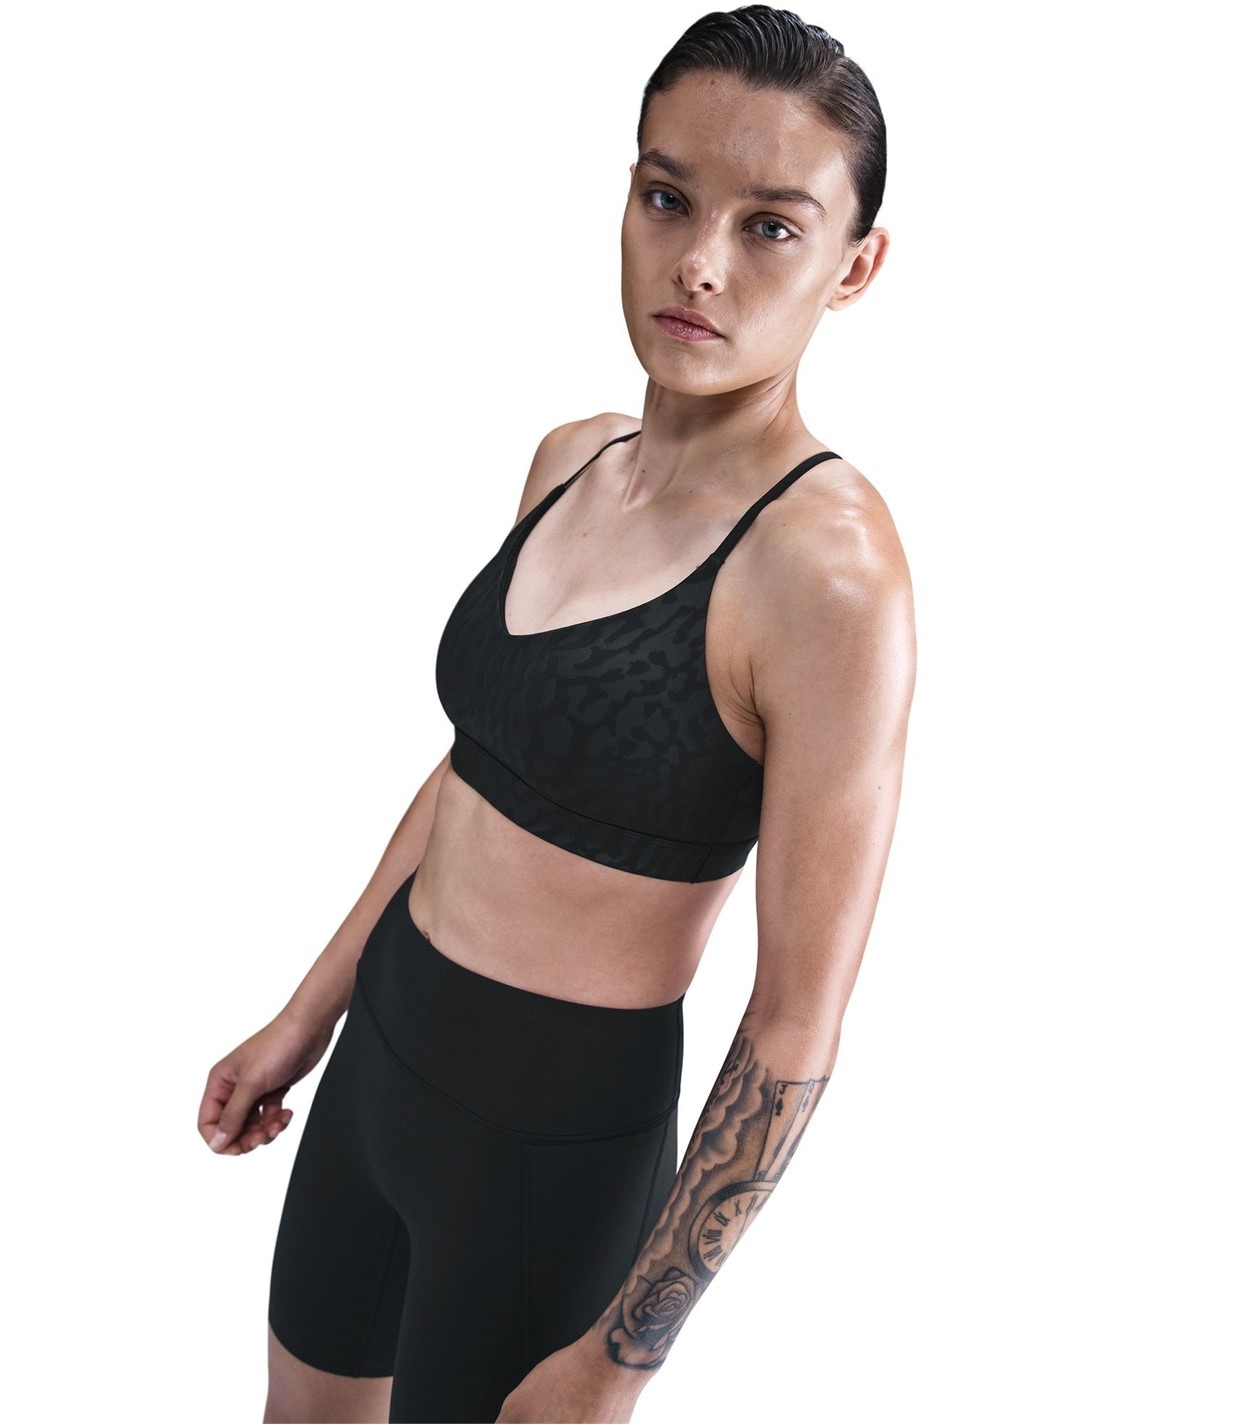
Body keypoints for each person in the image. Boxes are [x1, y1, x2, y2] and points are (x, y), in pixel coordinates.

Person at [198, 7, 915, 1421]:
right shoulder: (571, 459)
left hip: (546, 1157)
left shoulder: (829, 574)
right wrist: (308, 1010)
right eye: (668, 198)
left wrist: (621, 1356)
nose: (699, 263)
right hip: (378, 1065)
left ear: (854, 265)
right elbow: (476, 773)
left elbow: (794, 1023)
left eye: (771, 227)